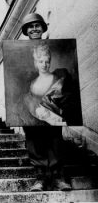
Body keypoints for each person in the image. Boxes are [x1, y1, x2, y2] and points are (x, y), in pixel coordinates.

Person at [20, 13, 72, 191]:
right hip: (32, 109)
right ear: (26, 30)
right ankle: (41, 177)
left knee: (55, 140)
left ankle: (58, 176)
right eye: (30, 26)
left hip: (52, 112)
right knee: (34, 141)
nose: (34, 28)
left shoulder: (59, 75)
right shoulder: (19, 54)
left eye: (37, 25)